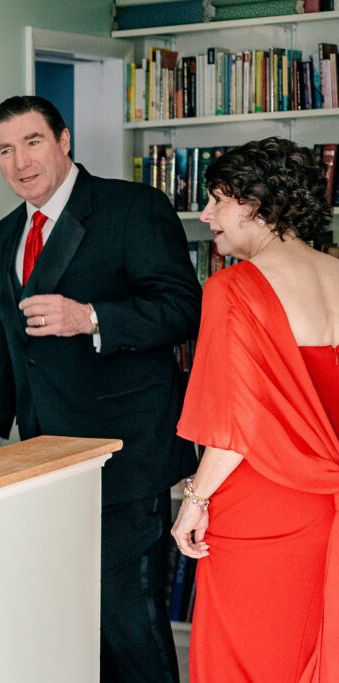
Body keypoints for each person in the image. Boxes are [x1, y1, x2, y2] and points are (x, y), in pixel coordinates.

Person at [0, 95, 201, 682]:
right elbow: (3, 339)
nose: (20, 161)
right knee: (77, 622)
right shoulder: (5, 234)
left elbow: (182, 309)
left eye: (32, 142)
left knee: (129, 618)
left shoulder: (133, 208)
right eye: (5, 150)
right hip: (46, 456)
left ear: (64, 140)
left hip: (128, 453)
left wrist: (91, 317)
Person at [171, 137, 338, 682]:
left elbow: (231, 428)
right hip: (326, 504)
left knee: (247, 658)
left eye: (219, 199)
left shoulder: (233, 288)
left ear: (259, 204)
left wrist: (194, 500)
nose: (207, 214)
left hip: (262, 504)